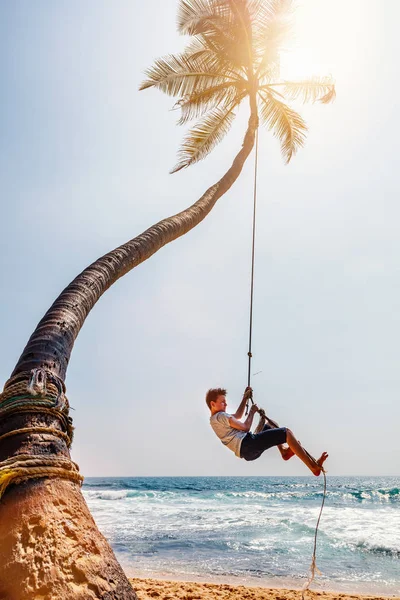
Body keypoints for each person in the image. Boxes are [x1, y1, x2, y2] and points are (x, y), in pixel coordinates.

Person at [207, 386, 328, 476]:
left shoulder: (215, 420)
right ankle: (313, 467)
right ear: (213, 404)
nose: (226, 404)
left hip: (247, 452)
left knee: (271, 424)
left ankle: (284, 452)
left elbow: (237, 415)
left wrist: (245, 398)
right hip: (248, 444)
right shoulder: (221, 416)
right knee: (287, 432)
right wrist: (252, 412)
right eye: (222, 402)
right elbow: (245, 427)